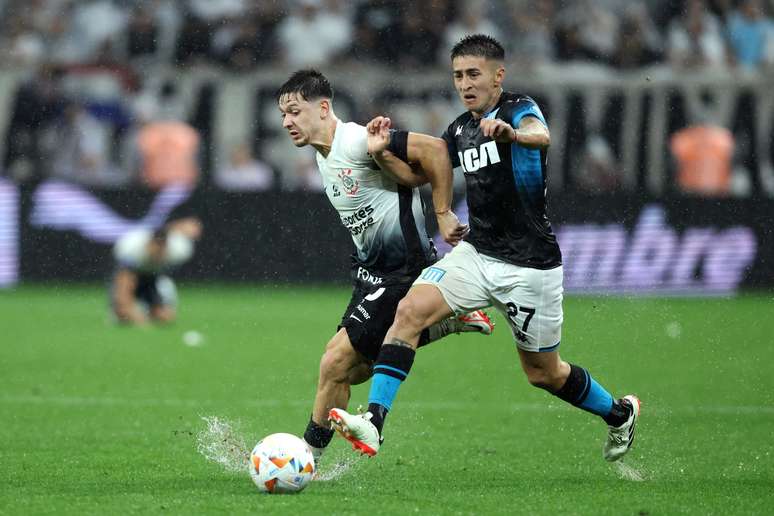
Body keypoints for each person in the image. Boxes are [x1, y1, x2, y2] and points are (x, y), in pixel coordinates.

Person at [329, 35, 640, 463]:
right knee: (409, 312)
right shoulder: (461, 129)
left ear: (498, 76)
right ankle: (374, 423)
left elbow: (541, 135)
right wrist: (382, 155)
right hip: (477, 253)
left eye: (473, 74)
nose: (465, 83)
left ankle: (619, 413)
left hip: (531, 267)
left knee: (543, 374)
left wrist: (512, 133)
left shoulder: (518, 110)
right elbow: (416, 175)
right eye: (458, 75)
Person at [275, 69, 494, 465]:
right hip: (371, 270)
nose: (287, 121)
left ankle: (304, 460)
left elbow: (436, 152)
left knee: (334, 362)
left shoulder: (358, 139)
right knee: (353, 371)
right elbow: (406, 179)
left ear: (323, 108)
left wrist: (443, 214)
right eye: (282, 115)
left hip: (402, 271)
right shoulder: (323, 154)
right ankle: (443, 320)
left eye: (294, 110)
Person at [111, 217, 202, 325]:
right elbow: (123, 283)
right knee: (124, 315)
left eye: (162, 249)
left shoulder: (180, 250)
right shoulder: (131, 248)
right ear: (149, 244)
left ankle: (146, 310)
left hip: (152, 278)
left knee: (165, 317)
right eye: (155, 248)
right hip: (131, 277)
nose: (158, 254)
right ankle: (117, 310)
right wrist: (139, 319)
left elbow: (167, 229)